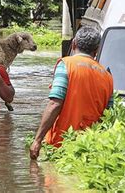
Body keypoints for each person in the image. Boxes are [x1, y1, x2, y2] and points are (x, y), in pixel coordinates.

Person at [30, 26, 113, 160]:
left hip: (62, 144)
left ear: (74, 43)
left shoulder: (66, 65)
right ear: (97, 50)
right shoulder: (107, 76)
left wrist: (37, 140)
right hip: (90, 147)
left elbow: (54, 104)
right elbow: (108, 116)